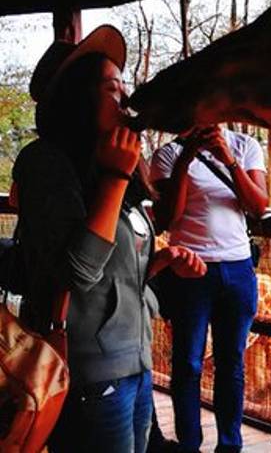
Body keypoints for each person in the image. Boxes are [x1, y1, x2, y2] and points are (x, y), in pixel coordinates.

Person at [12, 25, 206, 453]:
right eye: (111, 88)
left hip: (135, 361)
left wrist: (161, 263)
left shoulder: (110, 167)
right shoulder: (45, 164)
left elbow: (109, 274)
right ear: (76, 99)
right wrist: (116, 177)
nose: (126, 99)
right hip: (89, 373)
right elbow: (77, 273)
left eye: (124, 87)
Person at [150, 125, 268, 453]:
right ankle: (189, 444)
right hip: (189, 270)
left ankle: (230, 445)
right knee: (188, 363)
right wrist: (186, 158)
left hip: (238, 269)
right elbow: (169, 218)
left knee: (231, 362)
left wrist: (229, 160)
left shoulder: (245, 146)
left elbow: (258, 206)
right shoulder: (168, 154)